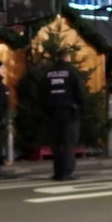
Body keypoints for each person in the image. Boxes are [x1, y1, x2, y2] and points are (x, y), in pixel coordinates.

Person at [42, 50, 85, 181]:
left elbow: (42, 92)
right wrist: (80, 106)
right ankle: (67, 172)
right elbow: (80, 91)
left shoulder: (49, 73)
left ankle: (58, 172)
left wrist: (47, 109)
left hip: (53, 113)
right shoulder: (72, 72)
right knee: (68, 143)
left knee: (57, 144)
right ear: (67, 57)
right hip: (69, 112)